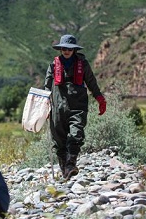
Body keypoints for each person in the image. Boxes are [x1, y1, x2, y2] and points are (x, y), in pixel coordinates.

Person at [44, 34, 106, 179]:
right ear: (60, 49)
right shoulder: (53, 65)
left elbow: (91, 82)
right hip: (57, 108)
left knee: (76, 133)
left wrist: (100, 99)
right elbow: (46, 88)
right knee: (59, 140)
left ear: (74, 50)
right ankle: (65, 171)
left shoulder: (82, 64)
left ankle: (71, 164)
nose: (66, 51)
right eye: (64, 48)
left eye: (69, 49)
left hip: (78, 105)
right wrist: (44, 106)